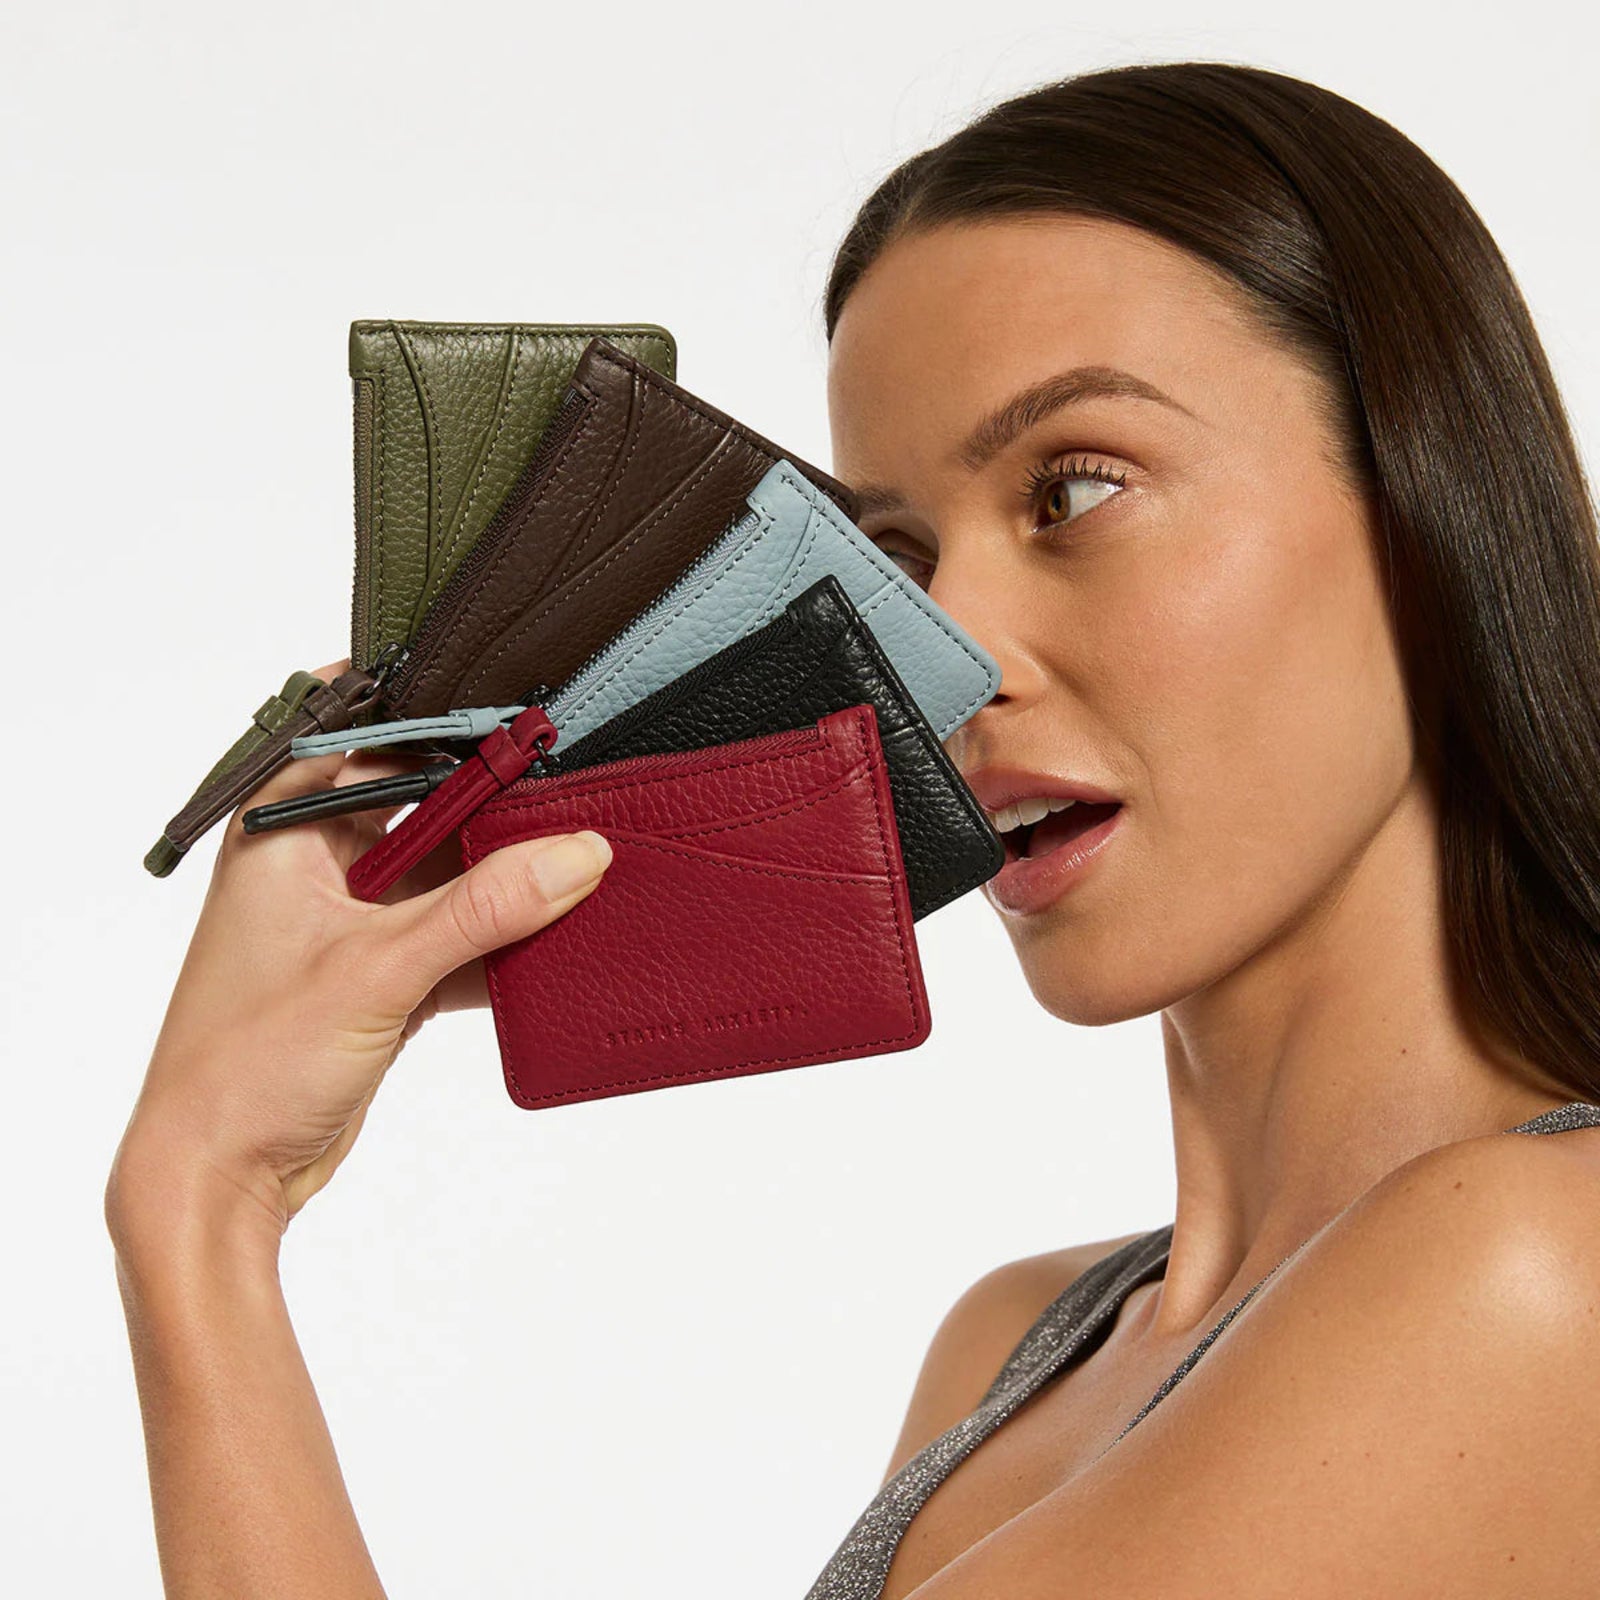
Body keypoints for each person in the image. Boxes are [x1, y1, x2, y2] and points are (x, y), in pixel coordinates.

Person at [105, 61, 1600, 1598]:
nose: (952, 660)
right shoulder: (1016, 1348)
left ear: (1428, 514)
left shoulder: (1538, 1271)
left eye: (1075, 490)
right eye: (892, 557)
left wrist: (202, 1208)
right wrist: (197, 1200)